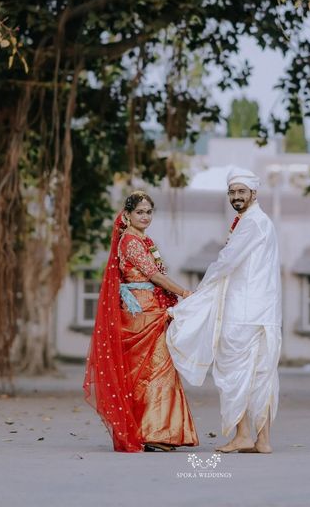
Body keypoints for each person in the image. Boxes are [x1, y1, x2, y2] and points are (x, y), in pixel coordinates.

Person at [167, 167, 282, 453]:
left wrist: (200, 292)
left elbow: (227, 261)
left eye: (241, 191)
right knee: (261, 373)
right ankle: (263, 441)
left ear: (254, 193)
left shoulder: (253, 223)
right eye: (232, 192)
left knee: (233, 371)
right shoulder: (260, 221)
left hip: (243, 310)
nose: (236, 197)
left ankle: (244, 435)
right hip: (264, 311)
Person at [84, 190, 198, 452]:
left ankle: (154, 431)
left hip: (148, 309)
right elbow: (154, 276)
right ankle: (152, 432)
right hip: (141, 312)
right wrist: (184, 293)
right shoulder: (132, 242)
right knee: (154, 370)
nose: (145, 216)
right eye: (139, 212)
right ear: (127, 215)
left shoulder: (142, 240)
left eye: (149, 212)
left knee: (151, 371)